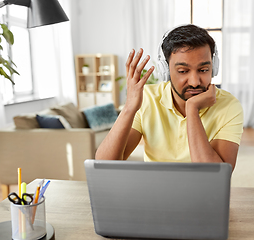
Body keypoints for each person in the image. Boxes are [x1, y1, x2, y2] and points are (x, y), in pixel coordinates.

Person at [95, 24, 243, 170]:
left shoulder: (229, 105)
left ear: (214, 67)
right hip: (156, 192)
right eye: (183, 71)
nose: (194, 82)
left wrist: (192, 109)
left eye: (203, 70)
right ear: (165, 71)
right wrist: (129, 108)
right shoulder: (147, 98)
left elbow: (214, 178)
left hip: (202, 194)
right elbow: (104, 166)